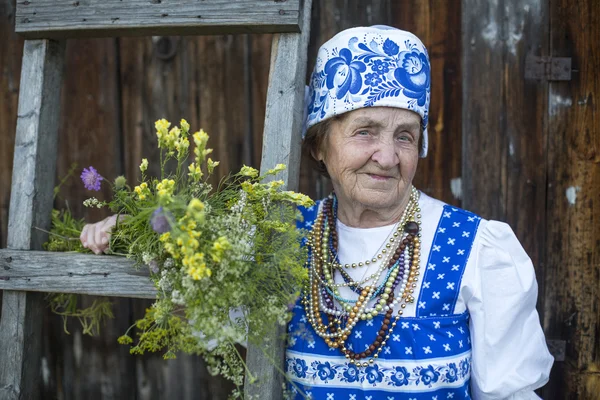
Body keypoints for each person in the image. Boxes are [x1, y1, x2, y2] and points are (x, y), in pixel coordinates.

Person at [81, 25, 553, 400]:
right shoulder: (280, 240)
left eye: (405, 136)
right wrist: (143, 231)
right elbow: (207, 314)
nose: (387, 157)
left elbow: (510, 395)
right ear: (319, 146)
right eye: (366, 131)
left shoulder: (474, 248)